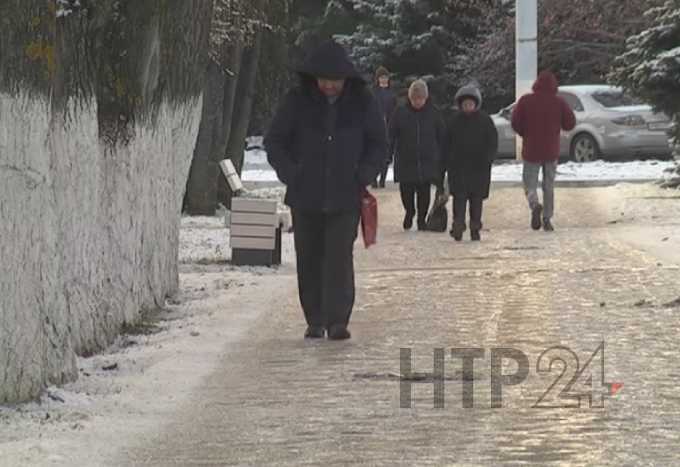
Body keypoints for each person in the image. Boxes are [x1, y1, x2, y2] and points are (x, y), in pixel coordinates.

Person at [264, 40, 386, 340]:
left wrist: (364, 174)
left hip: (346, 193)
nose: (329, 86)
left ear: (346, 79)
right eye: (324, 80)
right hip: (306, 195)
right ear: (313, 78)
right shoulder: (297, 100)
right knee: (309, 256)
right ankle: (315, 319)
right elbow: (275, 140)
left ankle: (338, 321)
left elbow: (379, 143)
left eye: (335, 80)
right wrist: (292, 173)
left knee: (339, 257)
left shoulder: (362, 101)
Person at [511, 70, 576, 231]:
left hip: (531, 150)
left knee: (529, 183)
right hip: (551, 151)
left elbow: (515, 122)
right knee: (549, 185)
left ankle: (534, 205)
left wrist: (524, 132)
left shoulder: (526, 101)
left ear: (537, 84)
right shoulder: (559, 102)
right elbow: (570, 123)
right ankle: (547, 218)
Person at [389, 79, 446, 231]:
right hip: (406, 160)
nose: (418, 102)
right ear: (410, 98)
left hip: (427, 160)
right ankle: (409, 211)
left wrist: (442, 155)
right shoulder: (400, 112)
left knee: (424, 194)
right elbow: (391, 134)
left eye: (420, 98)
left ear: (425, 98)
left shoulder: (433, 112)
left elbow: (441, 135)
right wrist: (387, 153)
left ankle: (421, 218)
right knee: (406, 192)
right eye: (415, 99)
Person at [444, 85, 498, 241]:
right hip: (458, 168)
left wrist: (488, 158)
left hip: (479, 169)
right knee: (459, 200)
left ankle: (475, 227)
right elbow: (446, 143)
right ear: (460, 105)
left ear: (476, 104)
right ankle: (458, 225)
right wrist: (447, 161)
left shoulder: (485, 121)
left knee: (476, 201)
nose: (467, 107)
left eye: (470, 104)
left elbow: (492, 142)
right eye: (465, 104)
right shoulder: (453, 121)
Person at [371, 66, 397, 188]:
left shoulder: (391, 93)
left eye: (385, 77)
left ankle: (382, 179)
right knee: (374, 154)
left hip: (389, 126)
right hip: (375, 126)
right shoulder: (373, 92)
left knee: (386, 155)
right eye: (381, 77)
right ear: (377, 79)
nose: (384, 79)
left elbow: (394, 109)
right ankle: (373, 179)